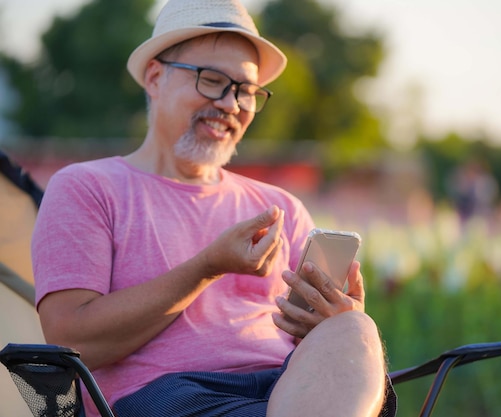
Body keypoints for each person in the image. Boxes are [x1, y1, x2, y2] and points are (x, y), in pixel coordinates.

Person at [31, 1, 396, 416]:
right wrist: (207, 267)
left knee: (354, 328)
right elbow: (72, 342)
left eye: (246, 91)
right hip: (167, 395)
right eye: (212, 80)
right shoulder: (87, 188)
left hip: (283, 389)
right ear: (155, 77)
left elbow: (313, 350)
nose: (231, 103)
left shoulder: (281, 208)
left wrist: (333, 323)